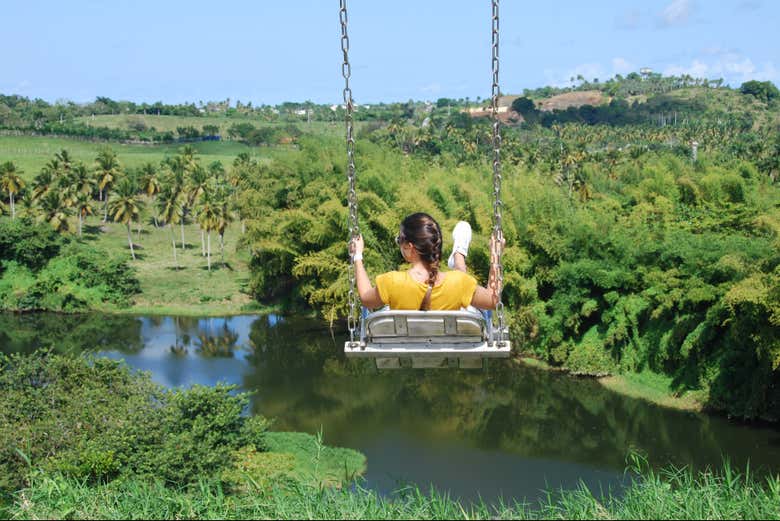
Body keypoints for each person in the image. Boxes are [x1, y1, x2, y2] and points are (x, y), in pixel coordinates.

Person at [350, 212, 504, 311]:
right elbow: (493, 300)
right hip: (448, 348)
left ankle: (458, 256)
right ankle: (458, 256)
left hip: (407, 351)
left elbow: (365, 298)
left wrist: (357, 256)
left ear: (410, 247)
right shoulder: (459, 283)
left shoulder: (392, 282)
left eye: (399, 240)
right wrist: (495, 256)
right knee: (463, 285)